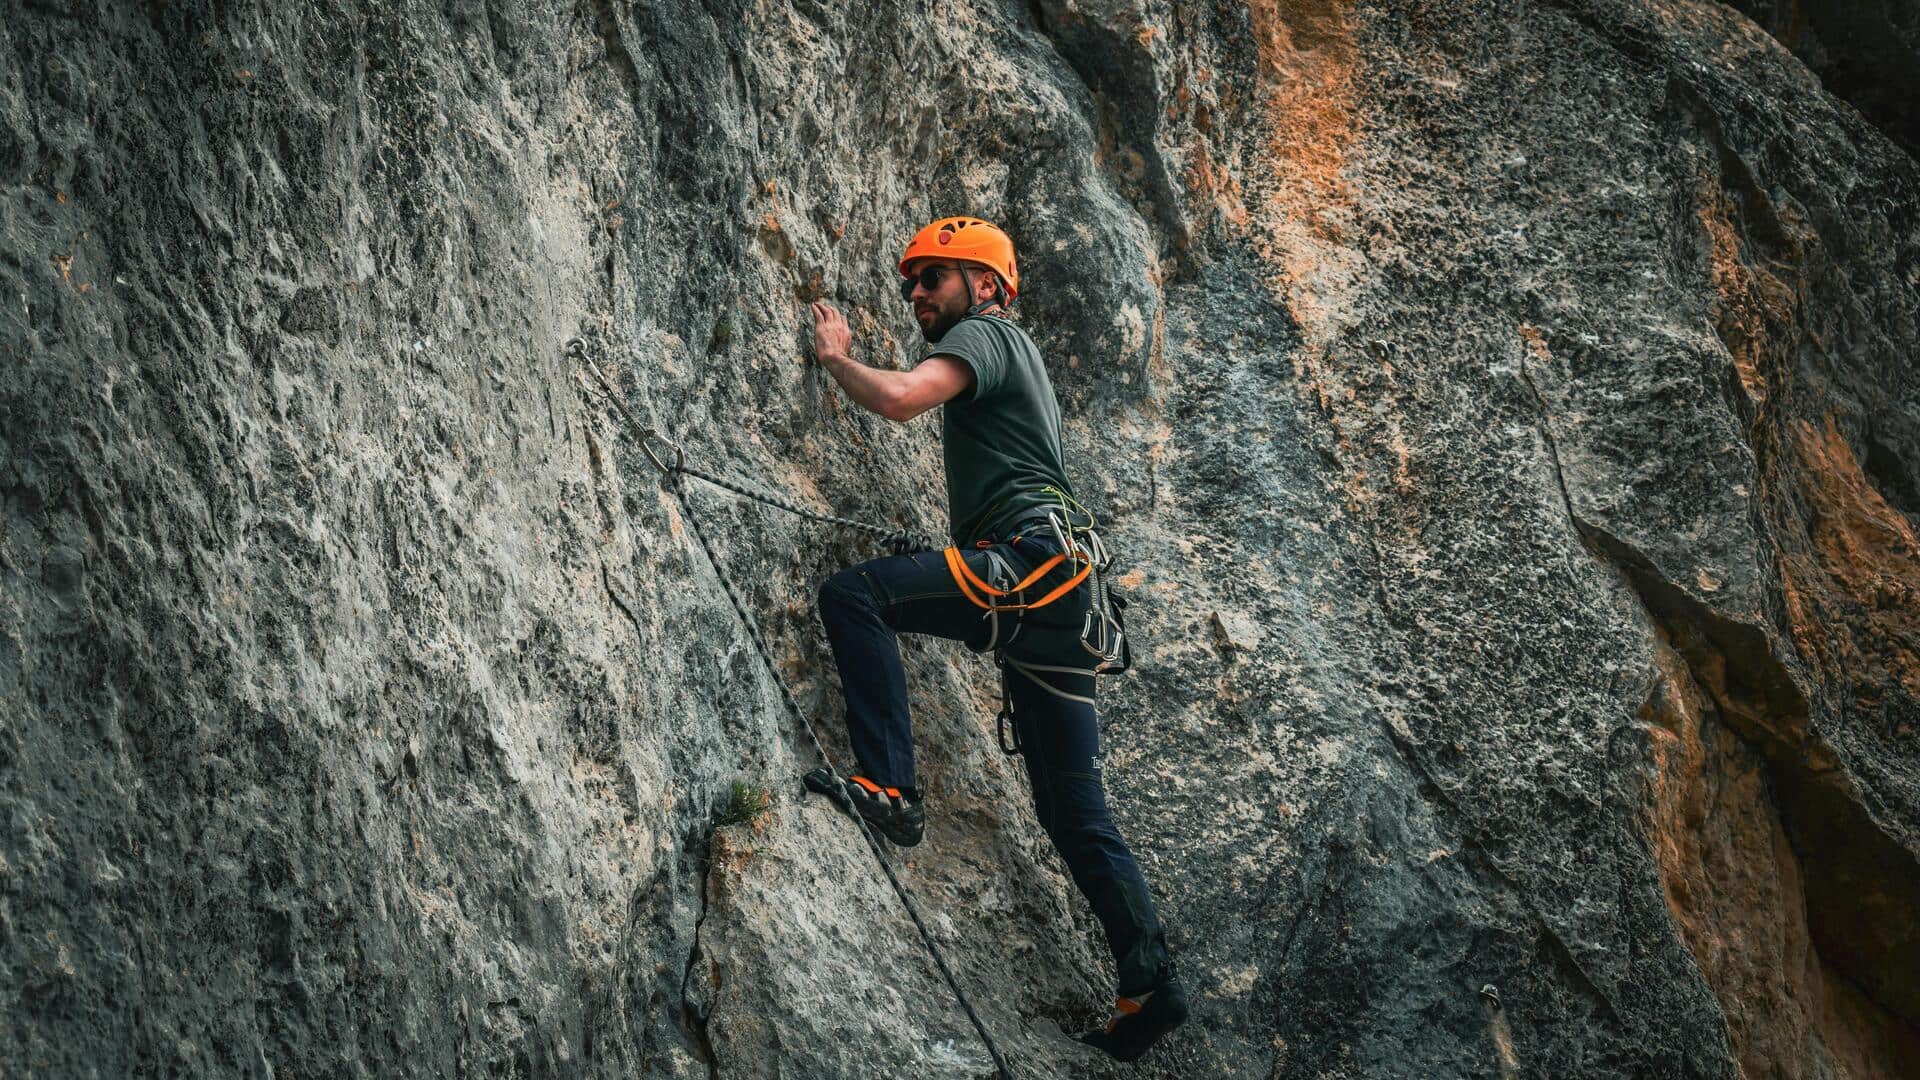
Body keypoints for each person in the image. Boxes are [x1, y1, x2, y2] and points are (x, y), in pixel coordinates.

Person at [803, 216, 1188, 1061]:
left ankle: (891, 789)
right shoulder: (1009, 355)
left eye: (930, 278)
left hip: (1032, 562)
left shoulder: (989, 333)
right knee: (1070, 808)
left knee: (855, 596)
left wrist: (834, 356)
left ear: (984, 284)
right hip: (1064, 599)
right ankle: (1150, 980)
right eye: (912, 284)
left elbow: (902, 400)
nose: (916, 297)